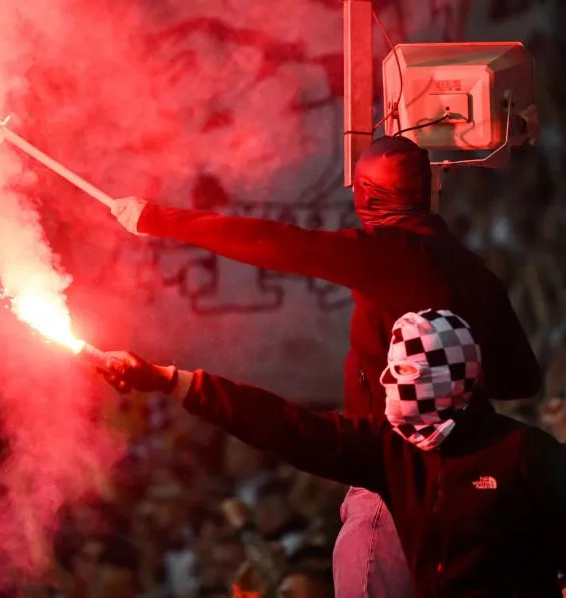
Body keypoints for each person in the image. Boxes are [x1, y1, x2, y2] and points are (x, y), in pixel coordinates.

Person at [109, 135, 541, 596]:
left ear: (368, 195)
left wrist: (156, 218)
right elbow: (521, 379)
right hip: (468, 482)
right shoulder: (477, 275)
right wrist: (455, 375)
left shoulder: (388, 251)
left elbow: (276, 243)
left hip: (391, 485)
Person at [98, 309, 566, 596]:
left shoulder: (521, 453)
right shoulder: (391, 448)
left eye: (406, 373)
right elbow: (285, 427)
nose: (389, 384)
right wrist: (167, 379)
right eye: (391, 369)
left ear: (447, 382)